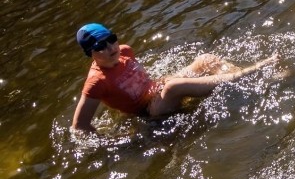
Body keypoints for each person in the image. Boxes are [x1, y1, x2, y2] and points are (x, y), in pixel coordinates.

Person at [71, 23, 279, 133]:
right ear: (90, 53)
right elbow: (79, 126)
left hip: (156, 90)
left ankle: (248, 79)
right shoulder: (96, 82)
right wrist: (120, 142)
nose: (110, 48)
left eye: (111, 39)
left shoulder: (125, 51)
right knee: (173, 87)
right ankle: (251, 74)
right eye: (100, 46)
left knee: (205, 60)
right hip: (148, 112)